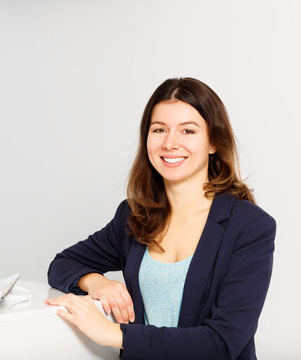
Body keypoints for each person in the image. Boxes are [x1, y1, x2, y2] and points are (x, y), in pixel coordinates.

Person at [45, 77, 275, 359]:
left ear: (213, 142)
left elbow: (222, 342)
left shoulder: (250, 226)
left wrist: (112, 333)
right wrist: (97, 282)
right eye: (159, 130)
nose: (170, 143)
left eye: (188, 131)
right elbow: (62, 263)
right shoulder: (133, 215)